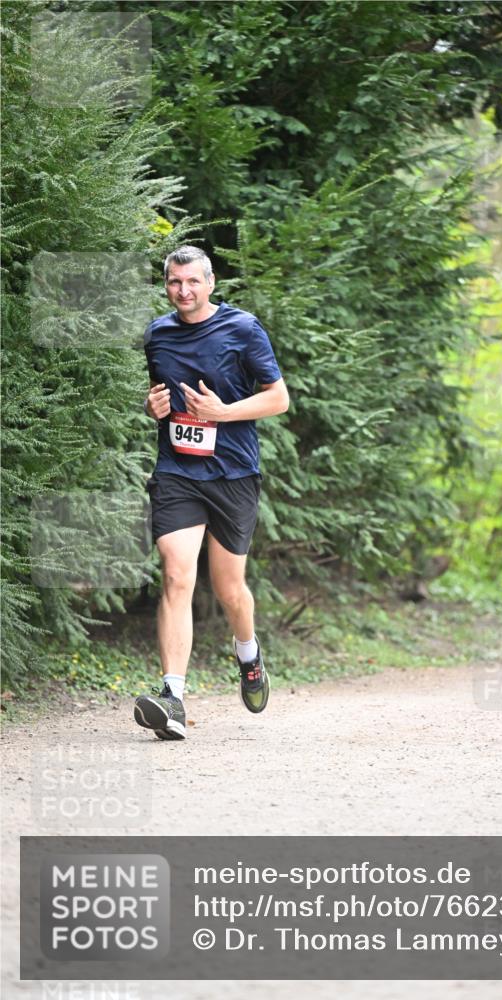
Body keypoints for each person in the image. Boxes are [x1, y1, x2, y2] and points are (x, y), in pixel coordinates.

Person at [133, 245, 289, 740]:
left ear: (211, 282)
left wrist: (223, 412)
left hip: (233, 475)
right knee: (178, 576)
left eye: (192, 282)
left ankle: (248, 654)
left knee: (229, 590)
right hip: (178, 472)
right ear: (166, 285)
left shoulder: (242, 329)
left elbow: (278, 399)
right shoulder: (157, 334)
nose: (183, 291)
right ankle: (172, 698)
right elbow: (162, 398)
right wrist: (152, 406)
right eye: (175, 282)